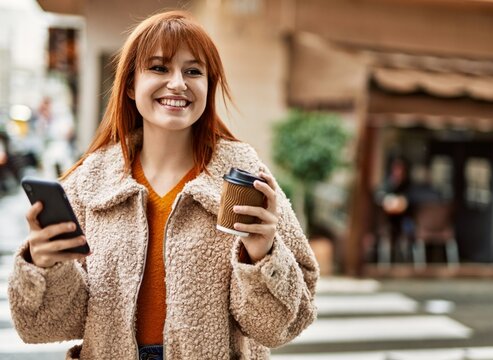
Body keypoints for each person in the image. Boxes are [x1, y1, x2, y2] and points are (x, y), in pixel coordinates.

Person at [8, 10, 318, 360]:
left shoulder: (243, 174)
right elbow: (47, 325)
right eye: (159, 68)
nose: (178, 83)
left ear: (208, 86)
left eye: (193, 71)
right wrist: (43, 265)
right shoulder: (91, 181)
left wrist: (263, 254)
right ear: (129, 85)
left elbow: (280, 327)